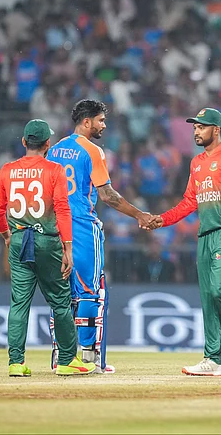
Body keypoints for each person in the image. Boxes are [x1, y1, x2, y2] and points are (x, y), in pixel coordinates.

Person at [147, 107, 221, 376]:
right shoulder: (196, 163)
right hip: (205, 235)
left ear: (216, 130)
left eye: (201, 127)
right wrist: (162, 219)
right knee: (209, 298)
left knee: (220, 291)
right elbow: (189, 201)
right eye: (195, 127)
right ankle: (214, 359)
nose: (196, 131)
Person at [48, 99, 152, 373]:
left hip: (56, 227)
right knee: (89, 292)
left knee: (62, 294)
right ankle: (89, 358)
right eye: (101, 120)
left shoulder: (54, 150)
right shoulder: (92, 150)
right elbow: (108, 195)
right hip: (82, 225)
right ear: (86, 121)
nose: (104, 125)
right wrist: (140, 215)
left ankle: (61, 356)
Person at [0, 119, 95, 376]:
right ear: (48, 144)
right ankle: (68, 361)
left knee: (19, 303)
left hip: (18, 239)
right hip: (46, 241)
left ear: (25, 142)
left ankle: (16, 362)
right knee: (60, 301)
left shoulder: (7, 170)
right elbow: (62, 208)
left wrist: (6, 235)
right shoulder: (55, 170)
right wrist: (68, 247)